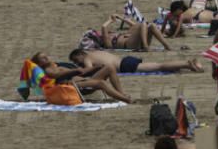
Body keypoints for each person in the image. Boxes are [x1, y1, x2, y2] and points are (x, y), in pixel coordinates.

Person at [30, 51, 132, 104]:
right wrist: (74, 70)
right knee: (101, 83)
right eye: (42, 58)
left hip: (84, 81)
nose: (46, 57)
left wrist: (95, 68)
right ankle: (125, 99)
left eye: (46, 55)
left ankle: (121, 94)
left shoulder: (56, 65)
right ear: (39, 63)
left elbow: (83, 72)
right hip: (75, 87)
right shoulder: (47, 71)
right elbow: (56, 75)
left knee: (109, 67)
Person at [68, 48, 202, 74]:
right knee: (158, 65)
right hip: (126, 60)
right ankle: (187, 64)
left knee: (159, 66)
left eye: (76, 60)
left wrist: (75, 71)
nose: (77, 63)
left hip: (125, 65)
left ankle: (187, 64)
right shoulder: (95, 52)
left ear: (80, 54)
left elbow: (88, 70)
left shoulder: (87, 58)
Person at [99, 14, 172, 51]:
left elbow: (134, 25)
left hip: (136, 42)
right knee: (143, 24)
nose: (108, 31)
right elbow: (103, 27)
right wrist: (111, 20)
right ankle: (145, 47)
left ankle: (167, 46)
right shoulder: (107, 41)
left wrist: (119, 17)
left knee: (152, 25)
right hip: (129, 45)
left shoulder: (117, 35)